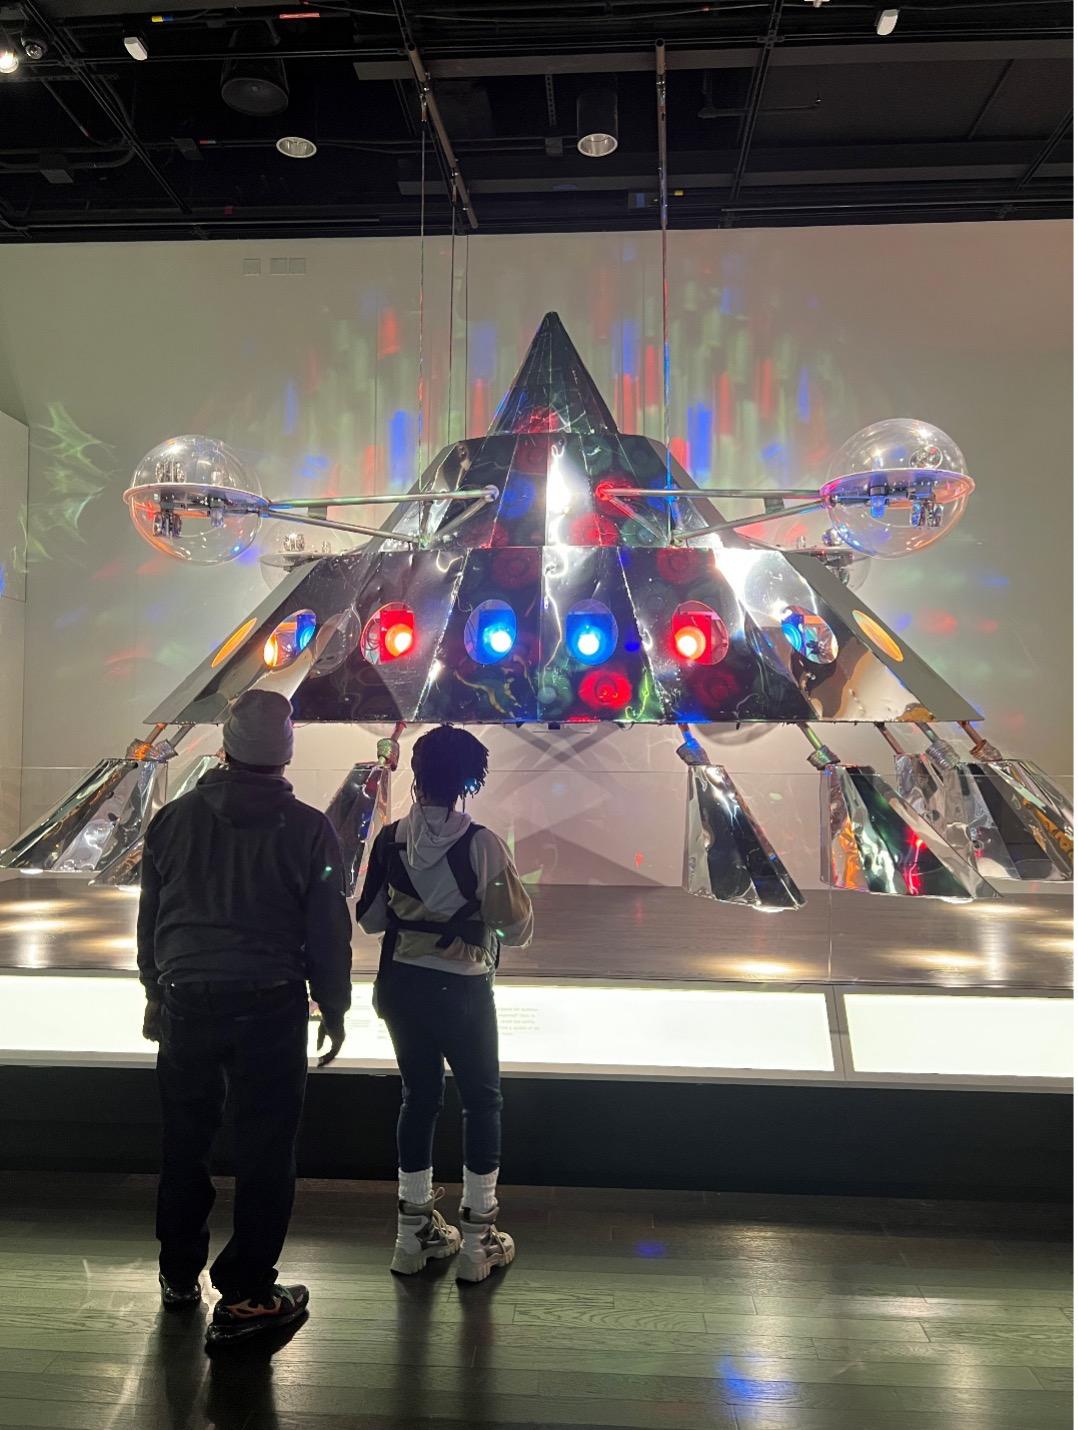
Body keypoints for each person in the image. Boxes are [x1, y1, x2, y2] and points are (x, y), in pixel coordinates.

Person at [137, 689, 353, 1345]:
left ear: (224, 747)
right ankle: (248, 1295)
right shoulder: (311, 828)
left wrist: (154, 992)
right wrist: (335, 1004)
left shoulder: (171, 821)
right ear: (285, 755)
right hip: (270, 1005)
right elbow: (327, 930)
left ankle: (178, 1276)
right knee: (265, 1153)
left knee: (185, 1145)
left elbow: (151, 923)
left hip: (187, 1001)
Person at [356, 724, 533, 1282]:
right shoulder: (481, 843)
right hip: (461, 989)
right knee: (482, 1102)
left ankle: (412, 1238)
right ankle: (479, 1240)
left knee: (419, 1097)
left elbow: (369, 919)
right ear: (470, 780)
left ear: (417, 774)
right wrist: (474, 923)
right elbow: (518, 926)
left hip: (402, 985)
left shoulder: (390, 839)